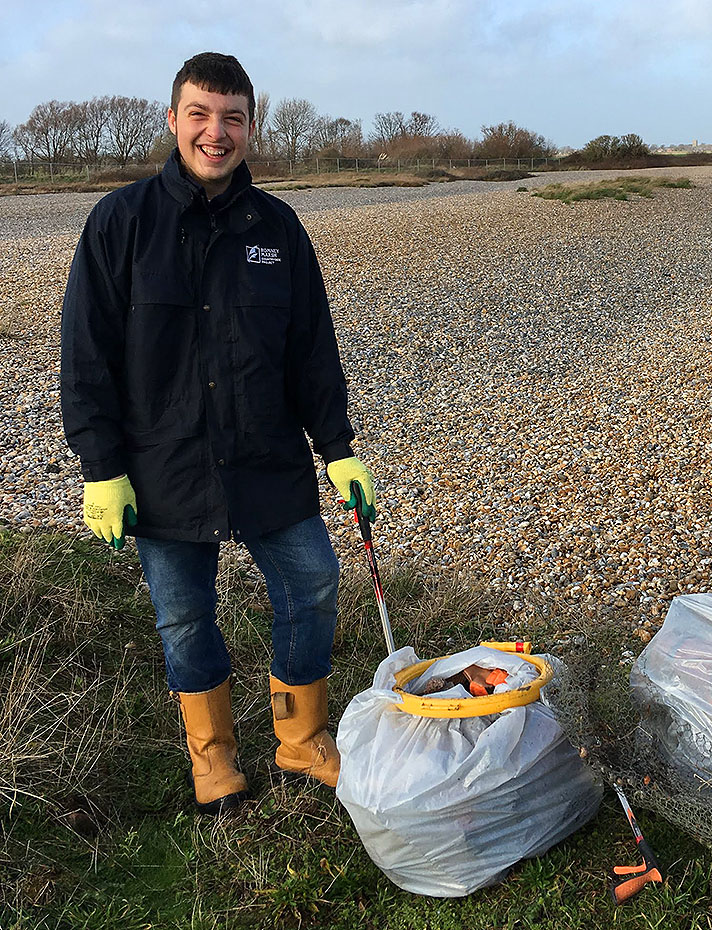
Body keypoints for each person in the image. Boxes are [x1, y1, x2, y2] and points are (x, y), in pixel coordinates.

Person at [60, 52, 375, 815]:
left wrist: (338, 449)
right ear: (172, 121)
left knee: (313, 582)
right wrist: (101, 468)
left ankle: (301, 743)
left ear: (250, 128)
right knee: (183, 613)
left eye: (232, 116)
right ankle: (214, 760)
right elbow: (85, 355)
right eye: (200, 114)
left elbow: (311, 349)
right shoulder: (120, 223)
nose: (216, 131)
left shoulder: (279, 228)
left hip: (267, 458)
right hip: (162, 466)